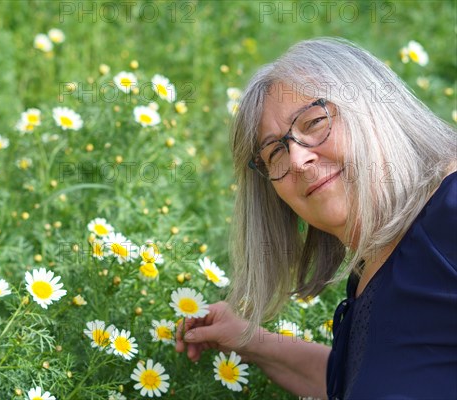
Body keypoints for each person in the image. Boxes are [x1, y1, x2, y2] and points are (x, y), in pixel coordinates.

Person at [176, 37, 457, 399]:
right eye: (275, 151)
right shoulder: (369, 274)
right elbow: (363, 384)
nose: (297, 160)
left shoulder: (449, 213)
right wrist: (250, 340)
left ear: (373, 108)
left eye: (313, 122)